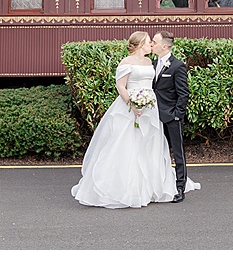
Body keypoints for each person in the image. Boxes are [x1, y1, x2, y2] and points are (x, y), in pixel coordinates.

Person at [71, 31, 196, 208]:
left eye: (153, 42)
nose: (151, 44)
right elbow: (120, 86)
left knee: (152, 146)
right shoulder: (128, 62)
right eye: (148, 42)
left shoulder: (153, 63)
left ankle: (166, 186)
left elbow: (175, 90)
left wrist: (175, 112)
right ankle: (127, 187)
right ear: (139, 45)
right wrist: (133, 104)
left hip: (152, 111)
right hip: (131, 109)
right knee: (129, 145)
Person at [151, 30, 196, 202]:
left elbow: (183, 93)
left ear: (164, 45)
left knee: (178, 153)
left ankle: (179, 188)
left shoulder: (177, 66)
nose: (151, 44)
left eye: (154, 42)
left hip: (171, 117)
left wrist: (177, 115)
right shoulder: (152, 64)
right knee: (156, 152)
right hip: (153, 117)